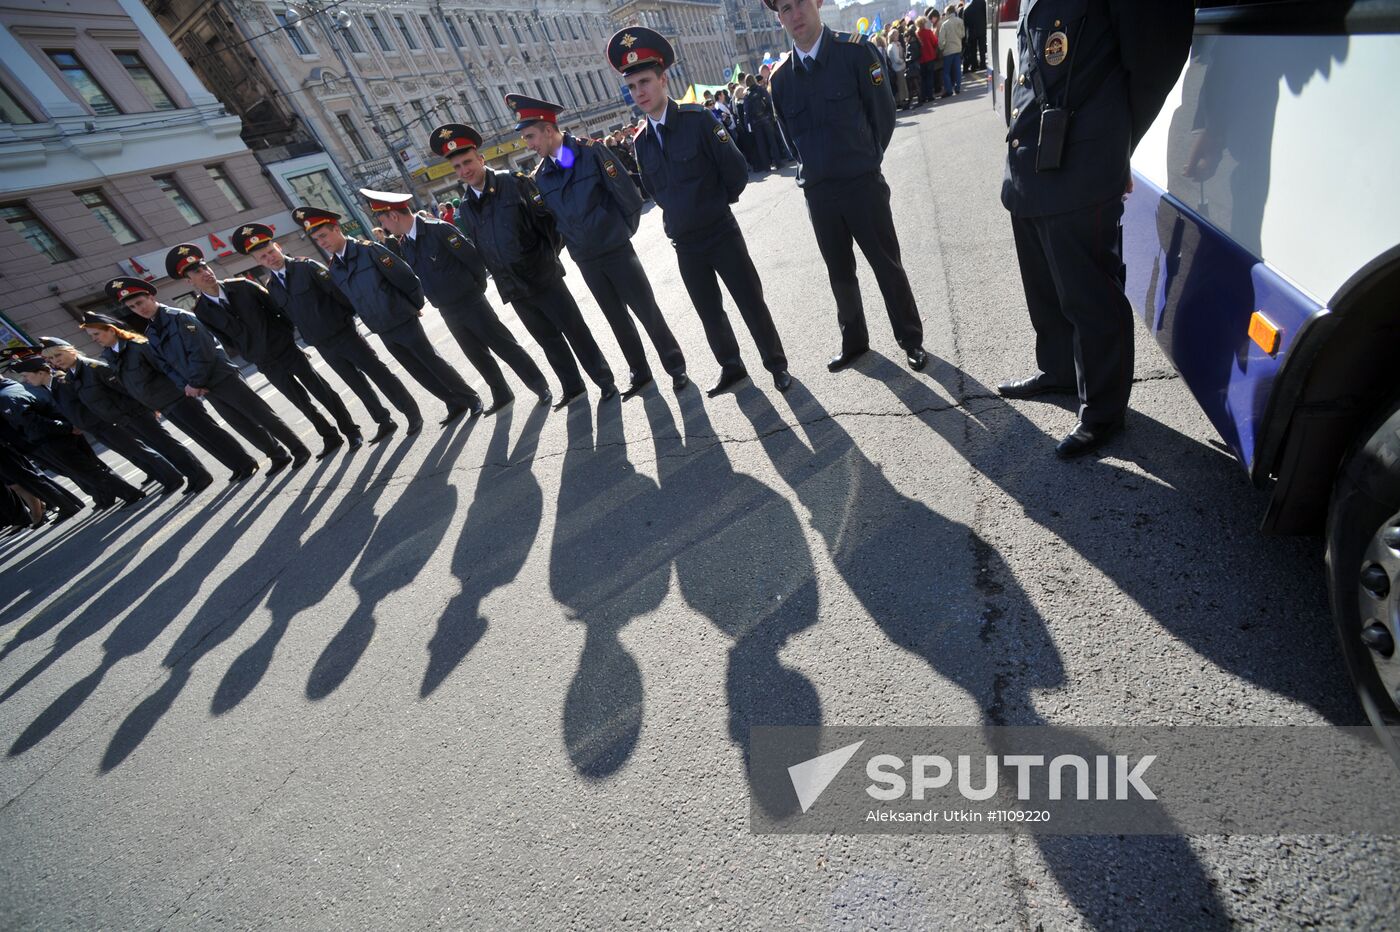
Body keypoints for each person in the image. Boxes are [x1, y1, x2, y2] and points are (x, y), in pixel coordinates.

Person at [999, 0, 1194, 457]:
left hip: (1082, 162)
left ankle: (1103, 411)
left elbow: (1158, 57)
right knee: (1045, 284)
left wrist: (1118, 143)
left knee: (1089, 294)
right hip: (1031, 161)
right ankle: (1060, 371)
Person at [607, 26, 792, 397]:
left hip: (719, 230)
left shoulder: (697, 120)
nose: (639, 92)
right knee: (710, 312)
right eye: (632, 87)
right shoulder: (641, 141)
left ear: (663, 79)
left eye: (644, 82)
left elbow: (736, 171)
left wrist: (712, 206)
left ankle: (776, 365)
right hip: (685, 243)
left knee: (750, 301)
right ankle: (731, 366)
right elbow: (656, 189)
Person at [767, 0, 930, 374]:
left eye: (801, 3)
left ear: (818, 4)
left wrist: (864, 159)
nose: (795, 14)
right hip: (820, 194)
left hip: (861, 184)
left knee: (886, 265)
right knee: (839, 272)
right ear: (779, 16)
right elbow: (792, 141)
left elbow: (883, 115)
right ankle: (854, 341)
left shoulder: (855, 52)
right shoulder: (780, 79)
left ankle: (911, 339)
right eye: (786, 8)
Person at [510, 93, 689, 397]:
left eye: (530, 136)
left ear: (549, 130)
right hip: (586, 260)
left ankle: (675, 366)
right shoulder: (542, 175)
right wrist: (575, 246)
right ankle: (640, 372)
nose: (528, 144)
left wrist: (617, 233)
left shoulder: (590, 153)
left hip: (616, 250)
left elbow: (629, 198)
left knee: (647, 311)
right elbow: (553, 222)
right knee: (617, 319)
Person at [431, 122, 619, 410]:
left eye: (467, 162)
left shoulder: (514, 182)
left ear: (480, 159)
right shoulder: (467, 206)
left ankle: (604, 380)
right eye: (457, 167)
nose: (464, 170)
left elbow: (549, 223)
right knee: (548, 340)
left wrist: (544, 259)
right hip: (514, 287)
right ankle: (573, 387)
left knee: (575, 331)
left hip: (543, 277)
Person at [361, 188, 552, 413]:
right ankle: (501, 392)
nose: (384, 226)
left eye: (382, 219)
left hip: (470, 301)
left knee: (504, 345)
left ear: (393, 215)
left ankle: (539, 385)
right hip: (447, 310)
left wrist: (474, 291)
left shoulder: (438, 230)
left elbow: (473, 260)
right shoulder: (406, 243)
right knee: (477, 356)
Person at [165, 242, 360, 459]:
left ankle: (350, 430)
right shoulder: (202, 311)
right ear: (189, 281)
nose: (205, 273)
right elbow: (226, 341)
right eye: (197, 272)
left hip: (286, 350)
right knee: (301, 402)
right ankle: (330, 436)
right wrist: (251, 352)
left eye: (205, 267)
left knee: (321, 390)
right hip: (264, 362)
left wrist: (283, 338)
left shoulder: (243, 286)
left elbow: (279, 310)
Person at [105, 276, 309, 477]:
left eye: (140, 302)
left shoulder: (180, 317)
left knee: (260, 415)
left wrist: (195, 383)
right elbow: (165, 365)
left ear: (150, 297)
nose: (139, 309)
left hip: (221, 377)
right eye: (132, 307)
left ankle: (298, 448)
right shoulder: (152, 331)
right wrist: (184, 385)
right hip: (202, 386)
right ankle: (277, 454)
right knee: (239, 423)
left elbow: (202, 352)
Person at [296, 207, 482, 428]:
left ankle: (470, 397)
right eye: (317, 239)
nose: (322, 242)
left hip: (401, 318)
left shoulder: (369, 250)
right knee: (416, 369)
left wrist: (412, 307)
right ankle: (452, 402)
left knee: (431, 361)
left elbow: (406, 278)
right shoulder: (334, 267)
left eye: (324, 235)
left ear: (336, 229)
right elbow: (350, 299)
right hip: (381, 327)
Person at [233, 223, 418, 443]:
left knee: (378, 373)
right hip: (322, 344)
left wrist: (344, 322)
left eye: (271, 251)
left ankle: (411, 413)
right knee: (356, 384)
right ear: (257, 262)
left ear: (278, 247)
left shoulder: (307, 267)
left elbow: (340, 295)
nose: (270, 258)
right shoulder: (272, 286)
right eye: (263, 257)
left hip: (344, 334)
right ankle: (383, 420)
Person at [80, 312, 259, 482]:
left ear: (111, 330)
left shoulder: (139, 346)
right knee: (200, 437)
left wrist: (187, 388)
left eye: (97, 333)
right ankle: (234, 466)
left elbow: (167, 369)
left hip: (178, 397)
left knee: (209, 432)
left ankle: (245, 462)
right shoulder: (110, 356)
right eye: (91, 336)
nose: (95, 339)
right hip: (161, 403)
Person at [36, 339, 213, 496]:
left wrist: (149, 407)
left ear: (70, 350)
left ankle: (200, 474)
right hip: (122, 419)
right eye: (51, 359)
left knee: (166, 445)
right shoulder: (72, 375)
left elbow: (126, 389)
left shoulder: (94, 368)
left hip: (135, 413)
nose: (56, 361)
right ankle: (192, 476)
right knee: (160, 447)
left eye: (58, 355)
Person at [0, 364, 145, 509]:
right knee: (92, 468)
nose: (24, 379)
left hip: (52, 438)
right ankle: (112, 495)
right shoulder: (14, 389)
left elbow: (34, 422)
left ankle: (129, 493)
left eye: (25, 375)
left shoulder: (6, 397)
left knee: (88, 472)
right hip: (61, 433)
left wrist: (67, 428)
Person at [938, 2, 966, 96]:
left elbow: (941, 40)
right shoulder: (960, 21)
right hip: (958, 48)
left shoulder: (944, 24)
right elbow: (963, 35)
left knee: (946, 72)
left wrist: (941, 48)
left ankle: (949, 90)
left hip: (948, 50)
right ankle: (958, 87)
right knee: (957, 69)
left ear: (948, 13)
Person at [915, 15, 940, 103]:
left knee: (923, 78)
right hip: (929, 57)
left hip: (920, 60)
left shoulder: (916, 34)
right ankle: (930, 96)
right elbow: (935, 42)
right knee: (930, 77)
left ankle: (924, 96)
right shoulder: (928, 32)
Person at [963, 0, 987, 72]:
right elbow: (986, 15)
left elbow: (965, 23)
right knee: (982, 49)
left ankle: (974, 65)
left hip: (972, 32)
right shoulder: (982, 3)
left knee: (973, 50)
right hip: (981, 29)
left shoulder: (967, 8)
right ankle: (983, 64)